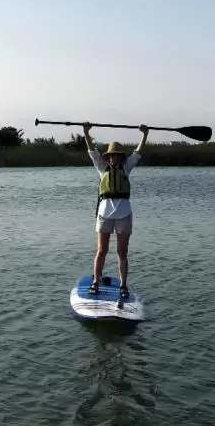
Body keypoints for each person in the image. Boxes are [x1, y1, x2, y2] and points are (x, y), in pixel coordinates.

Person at [82, 121, 148, 299]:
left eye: (117, 155)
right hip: (104, 214)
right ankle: (96, 281)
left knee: (122, 252)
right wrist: (86, 132)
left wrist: (145, 134)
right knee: (101, 251)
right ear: (108, 158)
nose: (114, 158)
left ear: (120, 157)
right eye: (111, 156)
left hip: (124, 215)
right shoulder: (102, 169)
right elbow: (92, 152)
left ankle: (123, 285)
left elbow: (138, 152)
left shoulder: (126, 168)